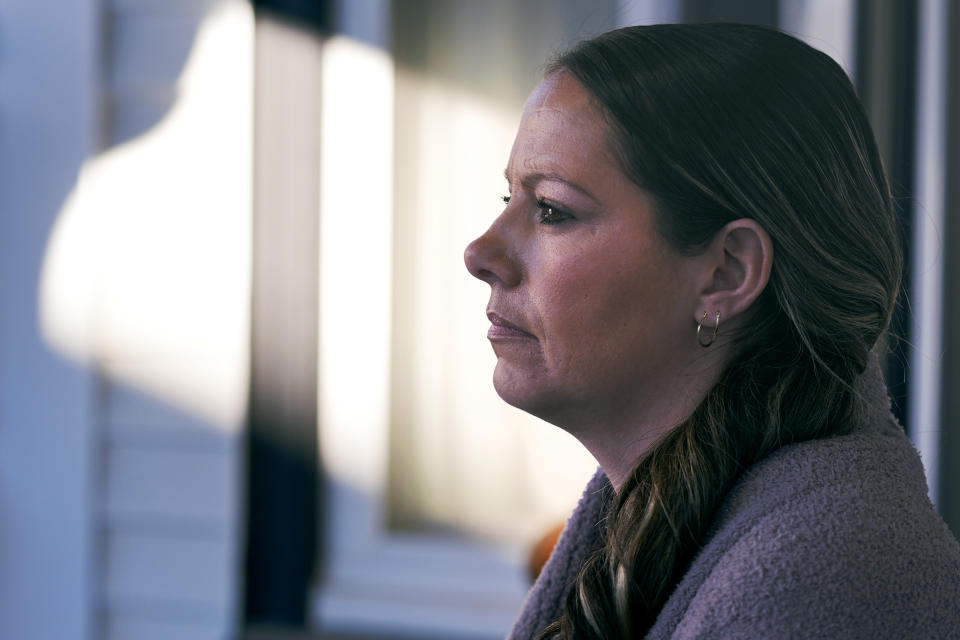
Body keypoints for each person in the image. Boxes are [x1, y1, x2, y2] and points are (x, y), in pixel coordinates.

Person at [463, 23, 960, 640]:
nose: (480, 251)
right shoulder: (667, 530)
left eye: (553, 210)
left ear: (727, 272)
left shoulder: (827, 577)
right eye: (508, 197)